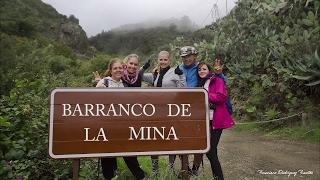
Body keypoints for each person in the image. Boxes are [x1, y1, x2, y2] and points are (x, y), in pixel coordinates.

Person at [96, 58, 146, 180]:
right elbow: (95, 103)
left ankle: (140, 176)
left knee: (129, 152)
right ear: (111, 70)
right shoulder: (104, 83)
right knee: (107, 154)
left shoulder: (125, 84)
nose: (118, 70)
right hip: (107, 125)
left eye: (120, 68)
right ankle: (110, 177)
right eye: (115, 68)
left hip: (123, 125)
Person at [142, 51, 186, 176]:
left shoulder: (174, 71)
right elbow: (139, 76)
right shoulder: (155, 73)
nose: (163, 62)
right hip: (157, 112)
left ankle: (170, 168)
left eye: (165, 60)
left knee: (172, 139)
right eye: (161, 59)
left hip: (172, 111)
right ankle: (155, 170)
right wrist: (144, 67)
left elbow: (184, 90)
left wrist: (181, 75)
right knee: (154, 139)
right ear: (158, 60)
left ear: (169, 60)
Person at [196, 61, 235, 180]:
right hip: (206, 120)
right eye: (199, 70)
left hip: (216, 120)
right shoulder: (201, 84)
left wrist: (205, 95)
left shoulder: (217, 80)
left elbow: (221, 97)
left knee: (211, 151)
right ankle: (217, 177)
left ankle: (219, 178)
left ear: (209, 70)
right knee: (210, 151)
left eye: (204, 69)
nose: (201, 71)